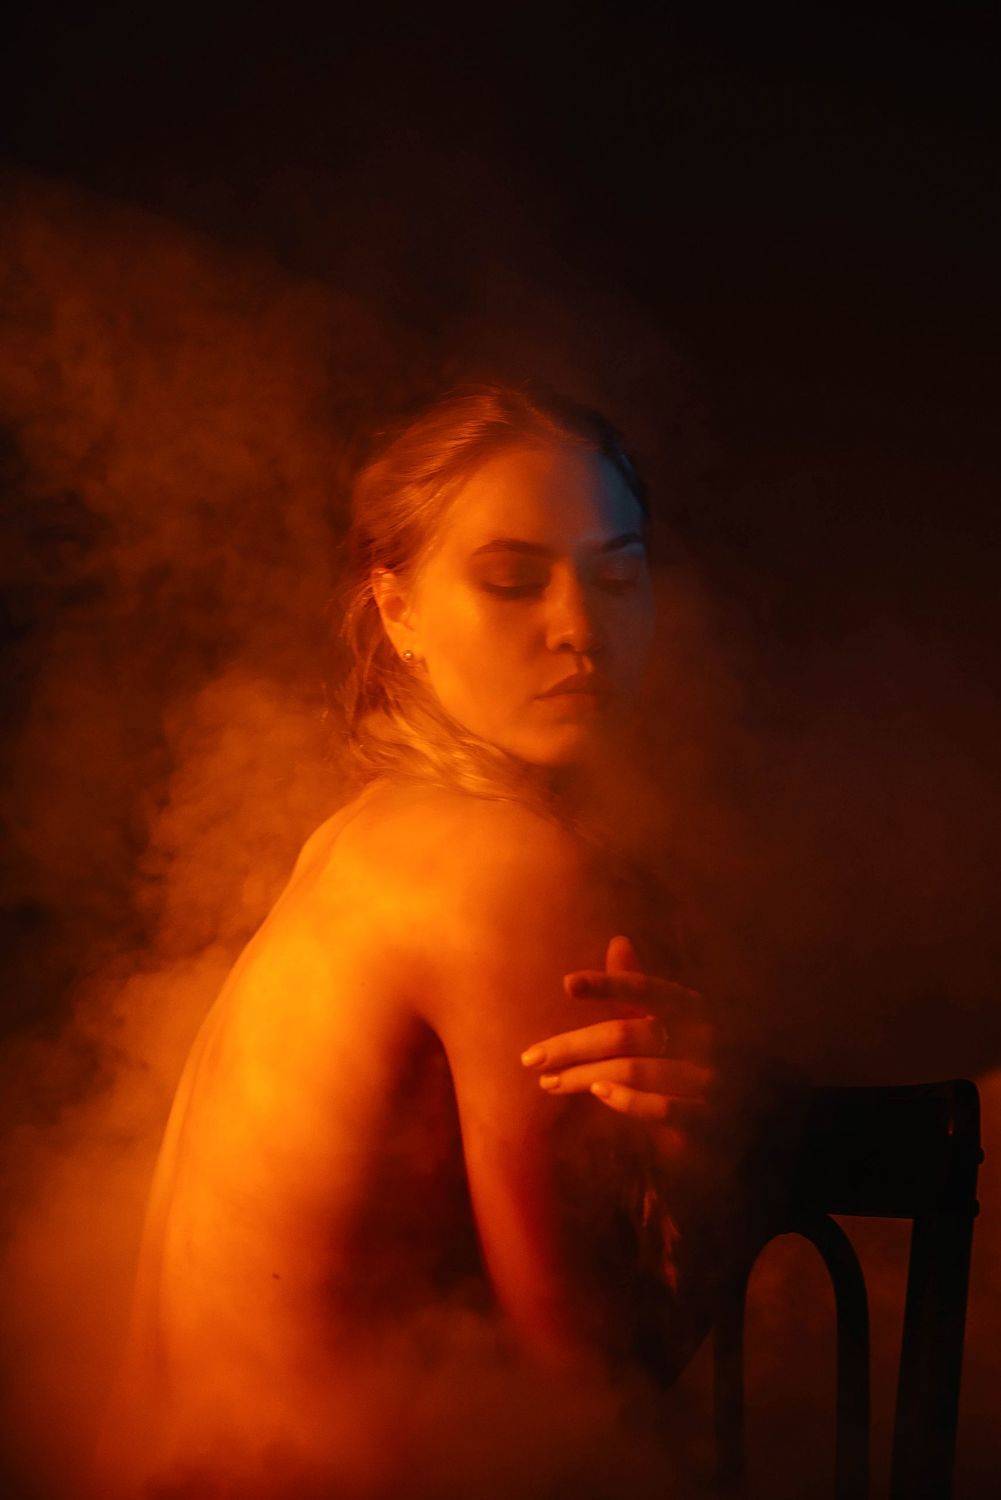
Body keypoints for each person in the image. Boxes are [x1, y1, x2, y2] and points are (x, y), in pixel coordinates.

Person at [95, 383, 750, 1499]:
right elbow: (597, 1397)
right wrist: (737, 1147)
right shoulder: (502, 863)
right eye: (511, 580)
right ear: (396, 615)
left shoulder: (367, 834)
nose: (580, 629)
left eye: (616, 574)